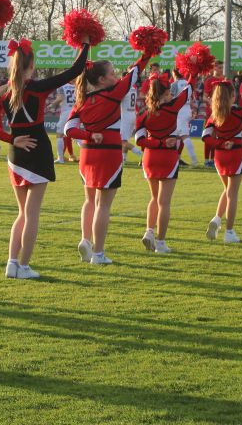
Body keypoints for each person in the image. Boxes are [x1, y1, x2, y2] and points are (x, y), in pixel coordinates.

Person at [0, 37, 90, 277]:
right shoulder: (38, 87)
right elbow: (75, 70)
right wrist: (86, 43)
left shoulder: (2, 91)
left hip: (17, 154)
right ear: (31, 65)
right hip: (38, 150)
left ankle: (12, 263)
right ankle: (23, 266)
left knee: (22, 213)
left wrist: (12, 139)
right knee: (31, 214)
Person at [65, 48, 152, 265]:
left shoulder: (81, 100)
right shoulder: (112, 93)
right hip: (109, 152)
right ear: (102, 79)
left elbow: (69, 129)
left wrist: (88, 134)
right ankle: (99, 253)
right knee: (104, 205)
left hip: (87, 154)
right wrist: (148, 51)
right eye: (112, 73)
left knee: (89, 200)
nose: (116, 76)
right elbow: (134, 72)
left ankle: (86, 240)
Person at [135, 71, 188, 253]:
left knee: (154, 198)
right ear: (164, 95)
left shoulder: (144, 115)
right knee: (164, 202)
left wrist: (156, 142)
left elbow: (139, 141)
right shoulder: (172, 108)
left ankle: (149, 232)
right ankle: (161, 242)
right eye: (169, 94)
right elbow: (188, 90)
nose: (172, 96)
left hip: (150, 157)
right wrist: (193, 71)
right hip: (167, 157)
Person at [202, 78, 242, 244]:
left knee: (227, 190)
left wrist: (220, 143)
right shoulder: (239, 111)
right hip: (234, 154)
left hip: (219, 156)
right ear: (233, 95)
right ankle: (229, 232)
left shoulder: (214, 115)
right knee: (233, 194)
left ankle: (217, 219)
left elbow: (205, 137)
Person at [53, 80, 78, 163]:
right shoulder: (78, 86)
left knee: (60, 135)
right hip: (76, 112)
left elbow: (60, 98)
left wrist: (51, 104)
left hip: (66, 112)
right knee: (76, 135)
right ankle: (88, 155)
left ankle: (60, 158)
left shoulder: (62, 86)